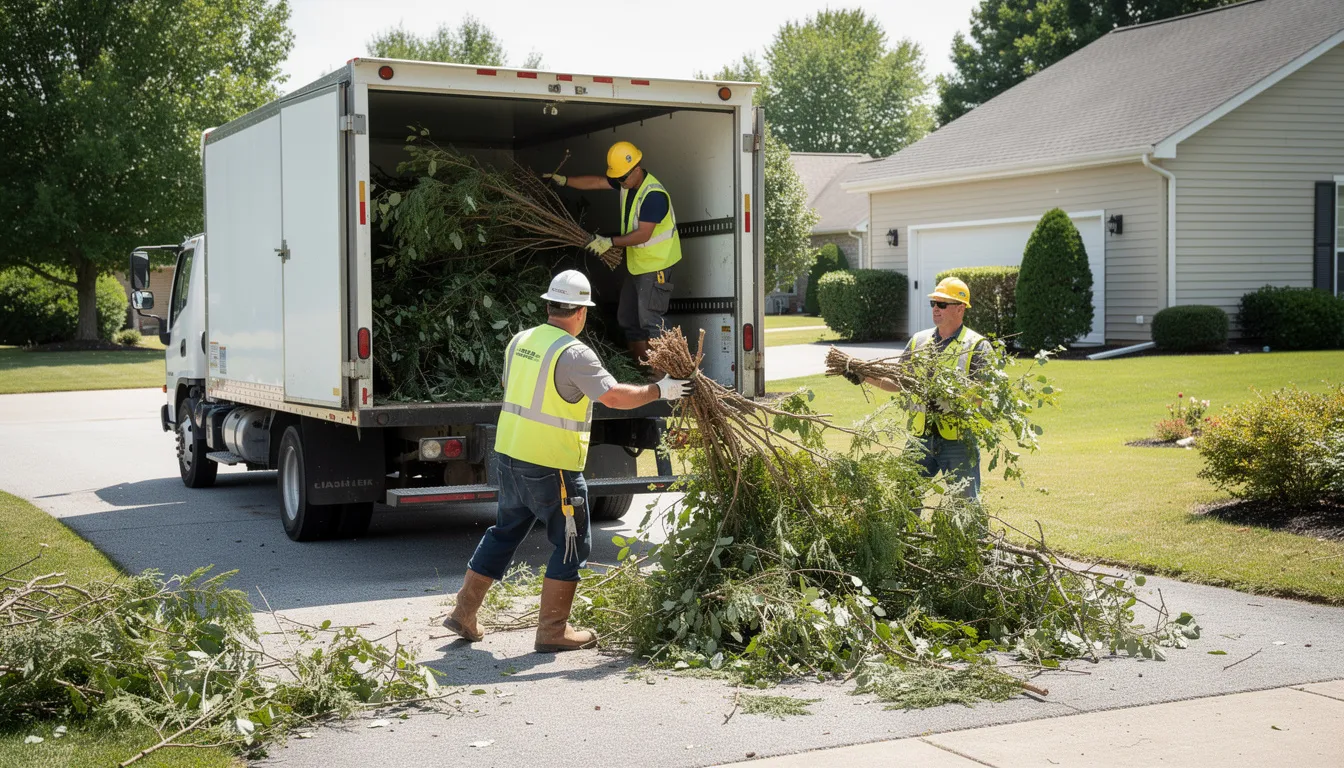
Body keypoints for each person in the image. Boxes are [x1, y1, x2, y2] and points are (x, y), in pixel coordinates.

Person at [444, 270, 693, 653]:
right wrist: (661, 389)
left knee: (505, 531)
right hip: (551, 465)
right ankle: (553, 632)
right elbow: (613, 397)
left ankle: (464, 611)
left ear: (549, 305)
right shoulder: (574, 353)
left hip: (510, 455)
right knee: (572, 542)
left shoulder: (520, 340)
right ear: (581, 312)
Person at [842, 277, 991, 499]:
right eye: (934, 303)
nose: (936, 309)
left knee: (966, 505)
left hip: (957, 441)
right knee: (905, 501)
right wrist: (865, 376)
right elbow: (899, 382)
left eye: (942, 304)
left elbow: (981, 396)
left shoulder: (977, 346)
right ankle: (907, 535)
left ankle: (973, 536)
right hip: (920, 438)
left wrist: (948, 400)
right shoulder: (918, 341)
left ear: (960, 309)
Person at [543, 141, 681, 373]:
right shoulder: (627, 182)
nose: (619, 182)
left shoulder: (653, 196)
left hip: (656, 266)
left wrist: (609, 242)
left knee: (651, 322)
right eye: (617, 178)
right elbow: (596, 182)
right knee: (627, 318)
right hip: (638, 265)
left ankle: (665, 375)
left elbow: (643, 234)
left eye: (622, 177)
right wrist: (566, 180)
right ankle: (644, 372)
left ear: (637, 168)